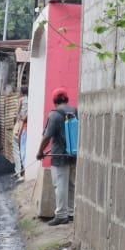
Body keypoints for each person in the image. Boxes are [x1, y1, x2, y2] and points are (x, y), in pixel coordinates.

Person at [36, 88, 77, 226]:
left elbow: (47, 137)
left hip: (59, 156)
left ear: (54, 101)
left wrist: (40, 152)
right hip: (74, 154)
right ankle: (71, 213)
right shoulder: (75, 111)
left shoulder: (54, 115)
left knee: (60, 185)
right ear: (67, 98)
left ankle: (61, 215)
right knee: (72, 184)